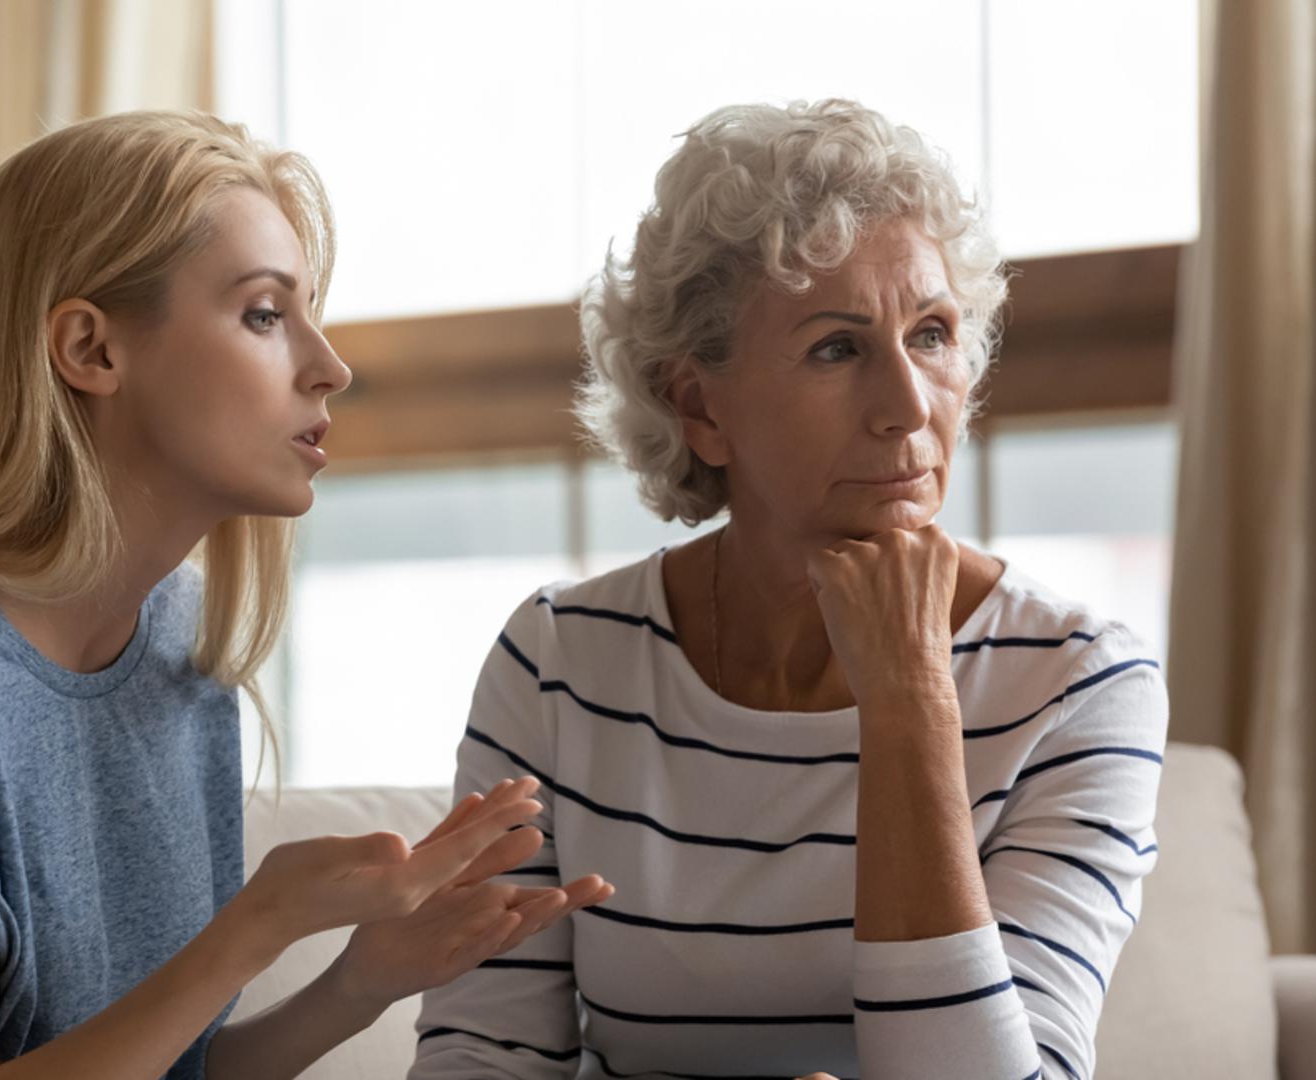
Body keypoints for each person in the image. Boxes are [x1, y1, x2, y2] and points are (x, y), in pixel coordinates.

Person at [0, 110, 612, 1080]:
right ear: (90, 349)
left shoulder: (182, 646)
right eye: (265, 314)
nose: (329, 366)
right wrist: (255, 926)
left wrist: (361, 982)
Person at [412, 99, 1167, 1079]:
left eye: (932, 333)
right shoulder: (560, 660)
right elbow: (480, 1058)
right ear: (699, 408)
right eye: (836, 347)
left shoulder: (1078, 683)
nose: (908, 409)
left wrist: (910, 706)